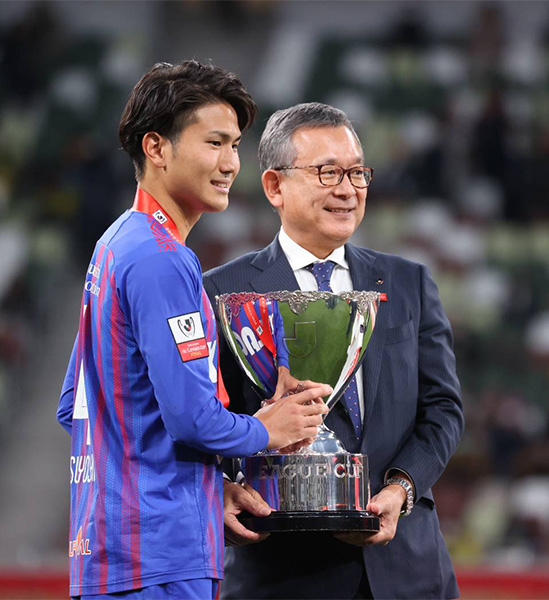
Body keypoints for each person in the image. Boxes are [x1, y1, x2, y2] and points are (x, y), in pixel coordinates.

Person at [56, 63, 330, 600]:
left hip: (112, 553)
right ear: (156, 148)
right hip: (160, 557)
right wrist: (266, 430)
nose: (230, 163)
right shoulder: (163, 259)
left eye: (235, 146)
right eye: (214, 143)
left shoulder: (115, 245)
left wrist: (210, 488)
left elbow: (75, 404)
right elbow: (191, 418)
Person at [204, 102, 464, 599]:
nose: (347, 189)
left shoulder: (408, 283)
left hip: (408, 569)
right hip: (283, 574)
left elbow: (443, 410)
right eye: (327, 172)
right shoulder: (220, 292)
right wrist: (220, 487)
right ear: (275, 186)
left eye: (357, 173)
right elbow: (199, 420)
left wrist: (401, 488)